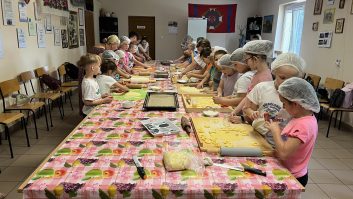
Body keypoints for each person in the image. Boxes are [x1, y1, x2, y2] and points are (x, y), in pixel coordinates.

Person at [265, 77, 320, 187]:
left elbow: (284, 153)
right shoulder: (303, 117)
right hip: (292, 170)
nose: (283, 107)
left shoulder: (303, 125)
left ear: (295, 104)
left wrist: (275, 131)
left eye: (284, 104)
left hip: (294, 176)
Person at [242, 53, 306, 146]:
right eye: (282, 78)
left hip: (281, 143)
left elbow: (301, 123)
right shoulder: (261, 88)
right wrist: (251, 113)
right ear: (274, 72)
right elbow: (246, 108)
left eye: (291, 79)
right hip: (258, 138)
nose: (286, 83)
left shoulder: (299, 97)